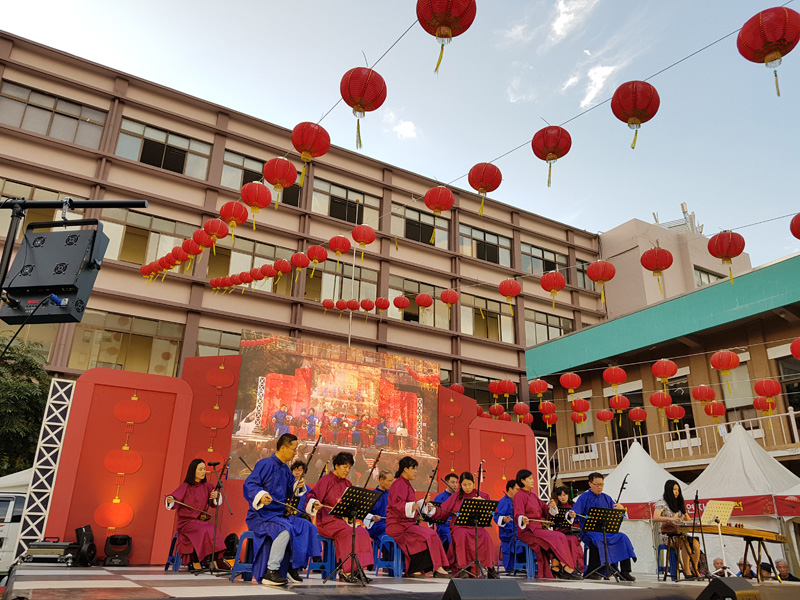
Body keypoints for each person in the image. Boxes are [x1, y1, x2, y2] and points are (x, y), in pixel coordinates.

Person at [243, 433, 321, 586]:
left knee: (306, 526)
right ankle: (271, 571)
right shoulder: (265, 464)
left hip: (279, 515)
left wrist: (297, 485)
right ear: (283, 448)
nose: (295, 452)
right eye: (294, 449)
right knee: (285, 529)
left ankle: (292, 565)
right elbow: (249, 485)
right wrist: (261, 495)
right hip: (261, 516)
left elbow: (291, 489)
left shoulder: (285, 469)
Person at [307, 452, 374, 583]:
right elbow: (312, 496)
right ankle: (346, 570)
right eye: (345, 467)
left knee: (362, 532)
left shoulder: (347, 483)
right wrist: (315, 503)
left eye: (349, 467)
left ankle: (357, 568)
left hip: (343, 521)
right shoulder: (326, 480)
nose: (347, 470)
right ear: (336, 466)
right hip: (327, 522)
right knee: (349, 532)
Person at [386, 456, 451, 579]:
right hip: (398, 524)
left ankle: (427, 567)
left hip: (407, 524)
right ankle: (431, 568)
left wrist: (422, 503)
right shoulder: (399, 484)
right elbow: (397, 505)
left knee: (428, 535)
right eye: (413, 468)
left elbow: (410, 505)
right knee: (429, 535)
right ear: (405, 469)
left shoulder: (407, 485)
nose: (415, 471)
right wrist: (415, 505)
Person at [514, 469, 582, 580]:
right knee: (557, 536)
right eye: (530, 478)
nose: (533, 481)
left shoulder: (533, 496)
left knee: (560, 536)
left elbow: (545, 510)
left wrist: (552, 506)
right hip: (528, 531)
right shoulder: (519, 495)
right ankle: (566, 568)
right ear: (522, 480)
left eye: (532, 478)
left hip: (538, 529)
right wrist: (523, 519)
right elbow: (518, 513)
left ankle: (561, 567)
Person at [570, 472, 637, 581]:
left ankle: (625, 571)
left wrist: (622, 510)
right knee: (598, 539)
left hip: (606, 530)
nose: (599, 487)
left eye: (601, 484)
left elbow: (620, 516)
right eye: (596, 484)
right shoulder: (584, 497)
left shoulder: (607, 498)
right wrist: (572, 514)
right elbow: (573, 512)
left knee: (623, 537)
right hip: (589, 531)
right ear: (590, 484)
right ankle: (593, 570)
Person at [165, 459, 227, 570]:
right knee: (203, 529)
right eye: (200, 469)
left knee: (212, 529)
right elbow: (174, 498)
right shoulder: (185, 486)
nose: (203, 472)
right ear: (193, 471)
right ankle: (196, 560)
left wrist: (216, 497)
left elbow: (213, 504)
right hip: (186, 522)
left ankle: (212, 560)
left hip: (199, 521)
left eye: (204, 469)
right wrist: (170, 499)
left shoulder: (208, 486)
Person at [439, 472, 498, 578]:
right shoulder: (456, 496)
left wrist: (483, 502)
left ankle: (490, 568)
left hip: (476, 527)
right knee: (461, 536)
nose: (467, 487)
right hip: (459, 527)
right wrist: (431, 510)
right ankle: (462, 568)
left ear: (474, 483)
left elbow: (493, 511)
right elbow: (443, 510)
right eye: (464, 485)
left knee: (486, 536)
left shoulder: (482, 495)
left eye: (469, 484)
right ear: (460, 485)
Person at [653, 479, 701, 579]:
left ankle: (694, 568)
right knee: (685, 543)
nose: (676, 492)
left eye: (678, 490)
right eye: (674, 489)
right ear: (669, 490)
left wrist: (695, 522)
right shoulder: (662, 503)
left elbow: (688, 519)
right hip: (668, 534)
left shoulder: (679, 503)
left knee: (695, 543)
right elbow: (655, 517)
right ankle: (687, 571)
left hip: (681, 533)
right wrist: (670, 519)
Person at [495, 479, 525, 573]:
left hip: (519, 530)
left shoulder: (518, 501)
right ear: (510, 489)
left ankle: (528, 563)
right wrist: (504, 519)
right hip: (508, 533)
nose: (518, 492)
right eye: (516, 489)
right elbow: (497, 517)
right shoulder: (503, 502)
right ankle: (514, 566)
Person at [552, 486, 584, 572]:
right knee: (561, 539)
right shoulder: (555, 507)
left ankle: (573, 567)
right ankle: (560, 567)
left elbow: (579, 521)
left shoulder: (574, 506)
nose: (562, 497)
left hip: (573, 532)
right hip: (559, 532)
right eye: (560, 495)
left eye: (564, 495)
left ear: (568, 495)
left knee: (571, 540)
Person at [365, 469, 394, 542]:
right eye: (388, 481)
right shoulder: (372, 495)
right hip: (376, 525)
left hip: (388, 523)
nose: (391, 483)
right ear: (381, 480)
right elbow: (364, 514)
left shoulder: (391, 494)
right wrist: (372, 517)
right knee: (388, 528)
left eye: (392, 481)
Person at [434, 474, 459, 551]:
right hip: (445, 526)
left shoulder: (459, 497)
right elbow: (437, 516)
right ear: (446, 483)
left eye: (456, 482)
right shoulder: (440, 497)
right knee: (450, 535)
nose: (455, 485)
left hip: (457, 525)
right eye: (452, 482)